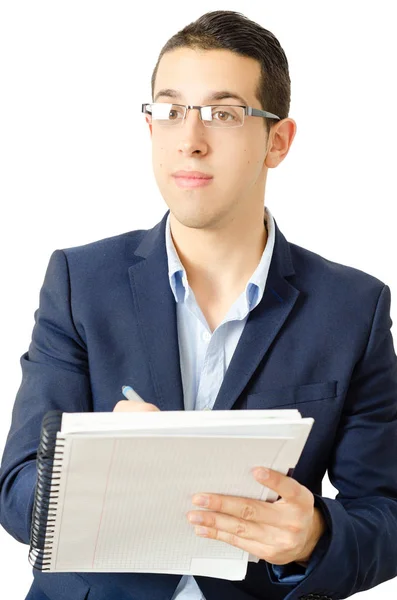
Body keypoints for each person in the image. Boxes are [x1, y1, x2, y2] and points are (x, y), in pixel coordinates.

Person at [1, 9, 397, 600]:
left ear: (277, 141)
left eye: (223, 113)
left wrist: (314, 534)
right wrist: (96, 468)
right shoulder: (80, 282)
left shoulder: (353, 307)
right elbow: (15, 493)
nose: (190, 139)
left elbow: (386, 512)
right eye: (171, 110)